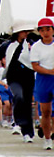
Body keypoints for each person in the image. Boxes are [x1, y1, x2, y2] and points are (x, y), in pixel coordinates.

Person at [0, 23, 36, 143]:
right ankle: (18, 121)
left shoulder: (31, 43)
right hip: (13, 76)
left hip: (28, 75)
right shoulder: (7, 45)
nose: (25, 33)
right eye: (23, 31)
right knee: (18, 96)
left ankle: (28, 132)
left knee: (27, 103)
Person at [30, 18, 54, 150]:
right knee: (46, 111)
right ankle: (47, 138)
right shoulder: (36, 47)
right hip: (43, 78)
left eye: (48, 29)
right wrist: (50, 72)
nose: (45, 33)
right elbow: (35, 65)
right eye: (42, 30)